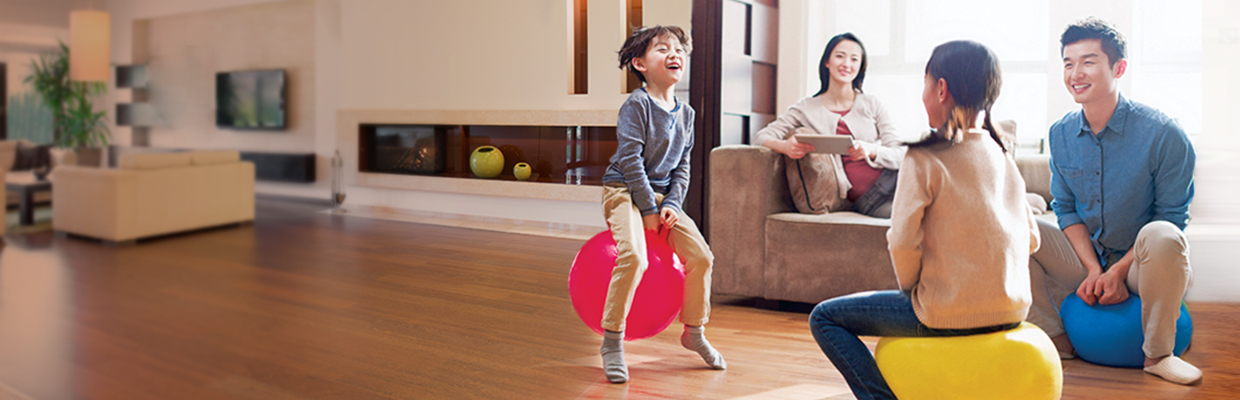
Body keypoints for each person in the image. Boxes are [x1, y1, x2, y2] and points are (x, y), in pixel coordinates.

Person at [808, 40, 1040, 400]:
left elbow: (901, 241)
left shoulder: (925, 156)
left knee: (823, 317)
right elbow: (1033, 239)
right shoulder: (1001, 153)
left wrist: (915, 290)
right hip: (1013, 309)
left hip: (944, 313)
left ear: (941, 89)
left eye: (925, 82)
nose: (924, 93)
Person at [1026, 17, 1200, 385]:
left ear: (1118, 67)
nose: (1076, 73)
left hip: (1143, 264)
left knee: (1163, 235)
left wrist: (1118, 271)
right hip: (1090, 256)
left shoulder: (1164, 134)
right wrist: (1093, 270)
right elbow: (1065, 208)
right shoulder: (1060, 133)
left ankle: (1158, 355)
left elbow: (1172, 217)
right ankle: (1056, 336)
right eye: (1068, 63)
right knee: (1014, 227)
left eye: (1088, 62)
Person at [597, 25, 724, 384]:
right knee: (634, 255)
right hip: (623, 189)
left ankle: (694, 331)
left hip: (662, 196)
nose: (674, 54)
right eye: (662, 49)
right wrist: (649, 210)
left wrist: (671, 203)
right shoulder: (636, 105)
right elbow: (631, 161)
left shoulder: (687, 115)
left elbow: (682, 167)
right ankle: (612, 341)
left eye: (678, 49)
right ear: (639, 63)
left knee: (702, 257)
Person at [752, 33, 905, 217]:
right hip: (870, 200)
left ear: (860, 67)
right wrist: (784, 146)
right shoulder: (807, 108)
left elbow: (901, 154)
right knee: (914, 219)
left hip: (895, 180)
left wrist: (871, 149)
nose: (847, 64)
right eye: (840, 56)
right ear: (827, 61)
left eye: (854, 59)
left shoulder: (872, 104)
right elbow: (760, 137)